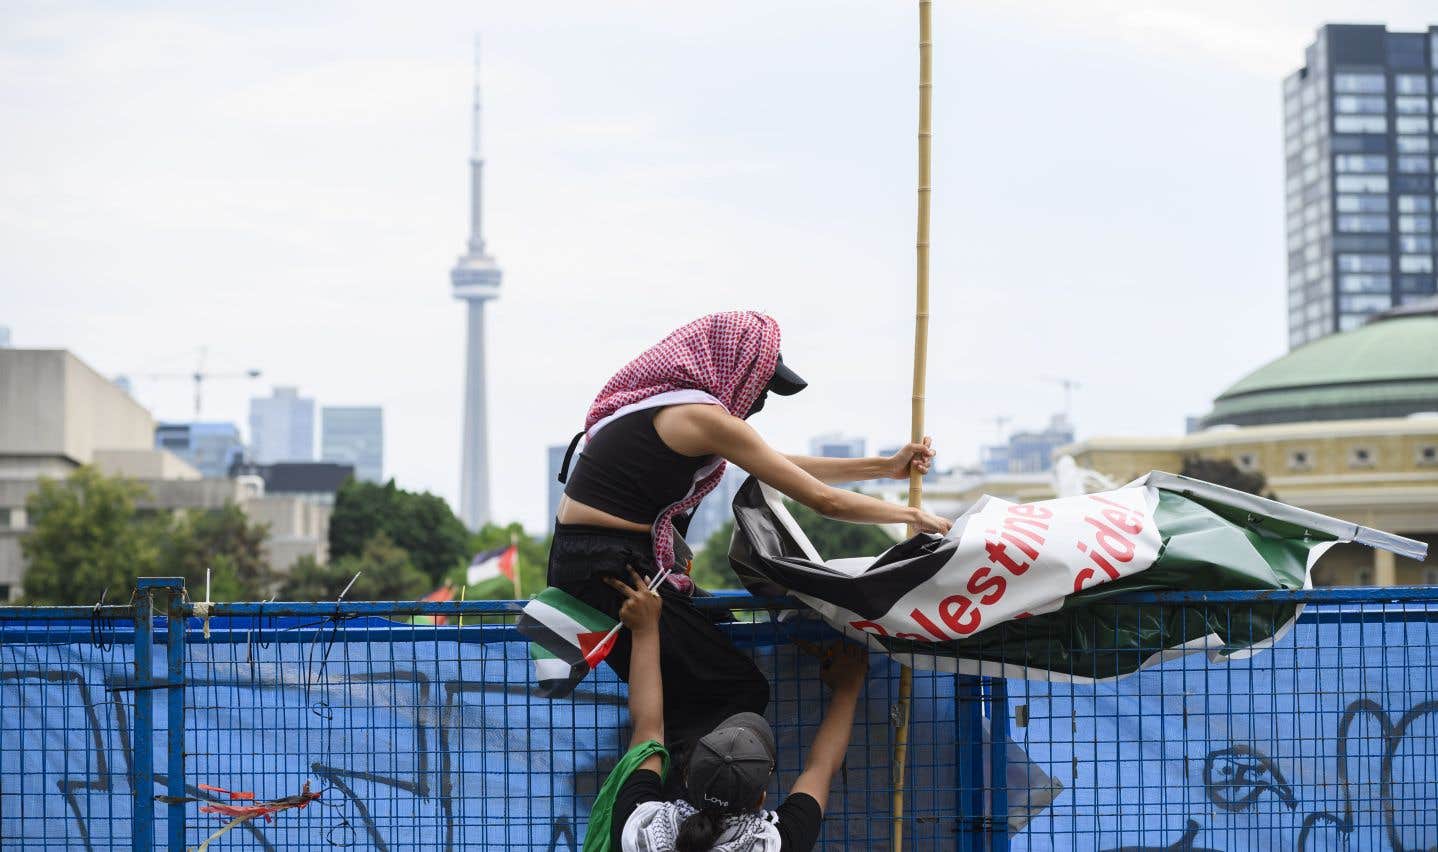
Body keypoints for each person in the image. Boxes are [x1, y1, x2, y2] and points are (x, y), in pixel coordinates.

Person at [549, 311, 951, 784]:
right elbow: (819, 498)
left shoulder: (669, 407)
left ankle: (670, 789)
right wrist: (911, 516)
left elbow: (774, 463)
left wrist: (883, 467)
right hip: (612, 569)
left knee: (714, 651)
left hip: (596, 562)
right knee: (732, 687)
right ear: (735, 367)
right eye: (762, 384)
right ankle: (690, 806)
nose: (760, 398)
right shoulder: (702, 417)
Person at [596, 568, 869, 852]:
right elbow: (820, 769)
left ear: (686, 775)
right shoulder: (770, 844)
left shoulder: (642, 829)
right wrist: (848, 689)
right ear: (761, 799)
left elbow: (647, 730)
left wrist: (645, 628)